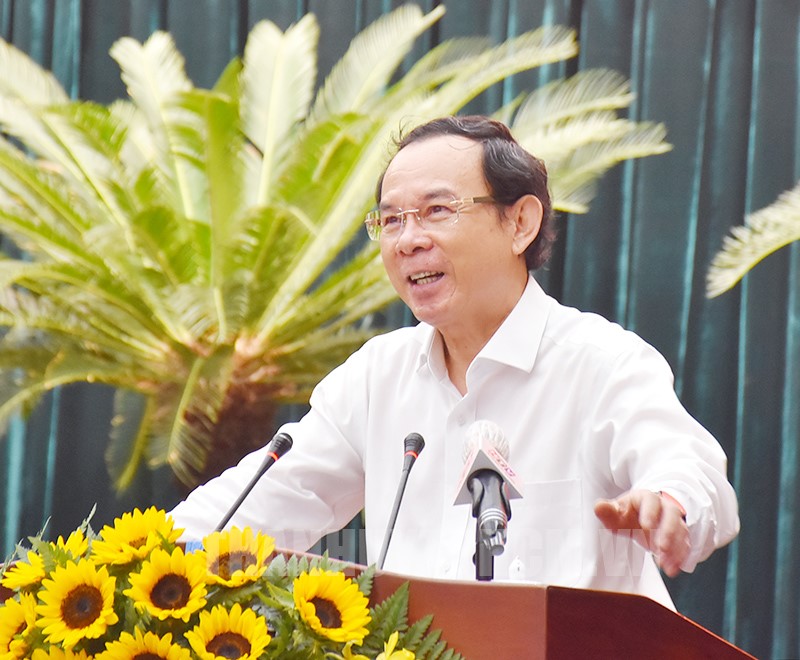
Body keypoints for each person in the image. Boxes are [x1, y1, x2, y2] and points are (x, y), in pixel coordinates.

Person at [170, 115, 739, 609]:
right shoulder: (376, 377)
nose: (407, 240)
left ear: (520, 223)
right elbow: (261, 502)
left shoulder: (601, 363)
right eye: (391, 220)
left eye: (437, 210)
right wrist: (147, 556)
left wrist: (669, 506)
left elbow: (689, 469)